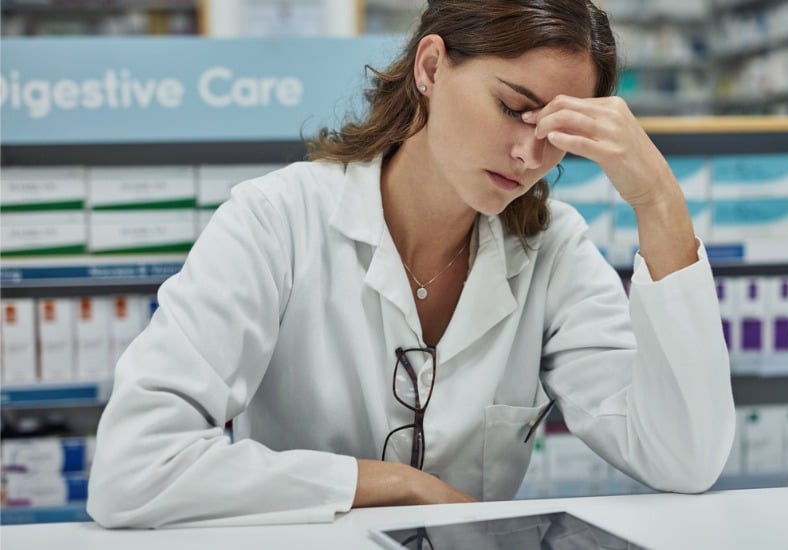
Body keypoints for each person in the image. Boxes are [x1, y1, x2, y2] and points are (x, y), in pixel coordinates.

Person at [87, 0, 734, 528]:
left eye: (557, 132)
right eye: (513, 108)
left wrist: (659, 198)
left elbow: (684, 459)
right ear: (431, 66)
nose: (529, 154)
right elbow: (134, 468)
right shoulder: (276, 220)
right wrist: (393, 486)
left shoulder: (553, 249)